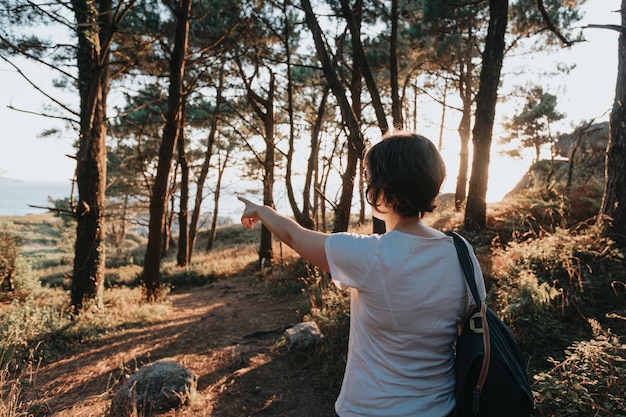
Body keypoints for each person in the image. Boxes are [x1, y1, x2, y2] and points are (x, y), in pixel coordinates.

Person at [238, 131, 486, 417]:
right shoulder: (461, 251)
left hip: (372, 410)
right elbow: (467, 324)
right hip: (443, 407)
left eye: (371, 177)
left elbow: (295, 237)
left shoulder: (369, 255)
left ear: (383, 188)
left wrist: (262, 210)